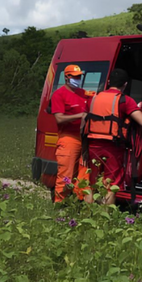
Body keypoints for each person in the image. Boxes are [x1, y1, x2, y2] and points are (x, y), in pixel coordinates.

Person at [80, 68, 142, 205]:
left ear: (109, 82)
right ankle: (105, 217)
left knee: (91, 182)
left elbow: (83, 124)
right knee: (111, 183)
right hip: (112, 147)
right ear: (125, 84)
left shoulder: (94, 98)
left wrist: (84, 148)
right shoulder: (125, 100)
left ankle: (87, 215)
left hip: (93, 144)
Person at [50, 64, 91, 203]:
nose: (78, 78)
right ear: (66, 77)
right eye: (75, 76)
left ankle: (77, 207)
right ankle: (59, 207)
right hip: (68, 139)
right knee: (65, 177)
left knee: (83, 176)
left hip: (84, 139)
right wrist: (80, 115)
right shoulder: (59, 94)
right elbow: (59, 118)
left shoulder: (83, 93)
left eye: (79, 76)